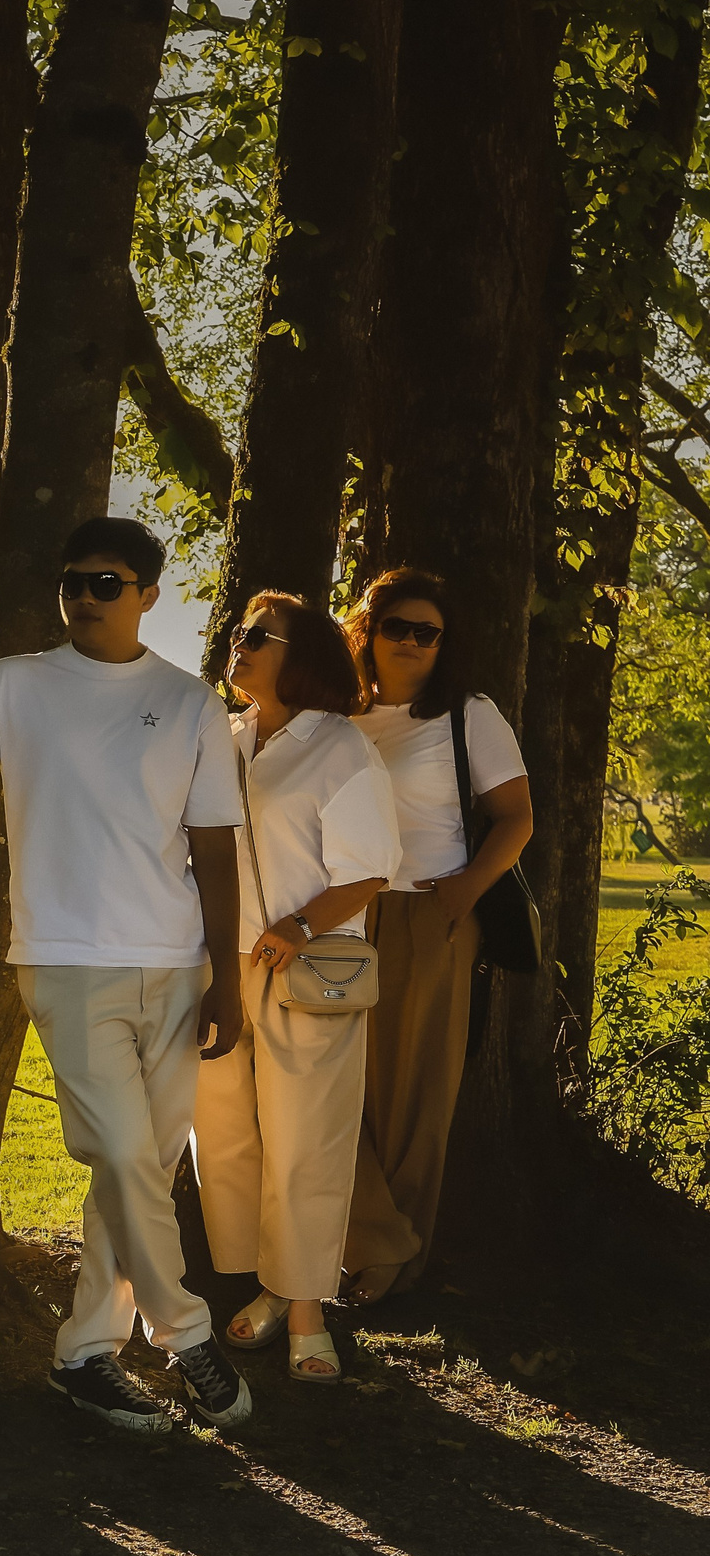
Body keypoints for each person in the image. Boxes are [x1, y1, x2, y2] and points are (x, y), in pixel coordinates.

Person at [0, 516, 253, 1435]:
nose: (84, 598)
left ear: (148, 593)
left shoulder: (189, 703)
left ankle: (83, 1354)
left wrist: (226, 972)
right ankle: (187, 1334)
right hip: (66, 961)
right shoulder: (14, 686)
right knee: (126, 1155)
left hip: (178, 964)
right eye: (72, 582)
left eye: (107, 582)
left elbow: (215, 846)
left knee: (126, 1168)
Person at [193, 594, 401, 1385]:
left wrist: (299, 927)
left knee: (305, 1140)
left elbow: (371, 865)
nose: (237, 644)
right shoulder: (223, 734)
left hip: (306, 965)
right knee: (226, 1135)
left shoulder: (341, 746)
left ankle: (307, 1308)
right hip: (221, 962)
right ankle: (267, 1281)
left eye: (257, 635)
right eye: (237, 632)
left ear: (302, 653)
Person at [340, 568, 534, 1304]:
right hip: (340, 914)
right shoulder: (337, 715)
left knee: (415, 1092)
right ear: (368, 630)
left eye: (429, 632)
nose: (415, 641)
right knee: (329, 1086)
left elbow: (517, 817)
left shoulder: (466, 714)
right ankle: (370, 1237)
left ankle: (392, 1268)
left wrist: (464, 890)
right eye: (399, 626)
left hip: (431, 913)